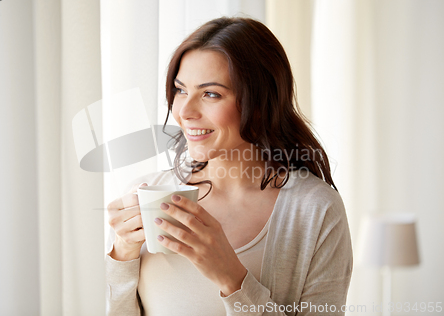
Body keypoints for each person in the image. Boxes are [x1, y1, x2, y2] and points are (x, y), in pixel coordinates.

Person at [106, 17, 353, 316]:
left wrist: (231, 277)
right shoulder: (145, 193)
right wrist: (122, 253)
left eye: (211, 94)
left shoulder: (315, 210)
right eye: (181, 89)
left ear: (261, 104)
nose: (184, 111)